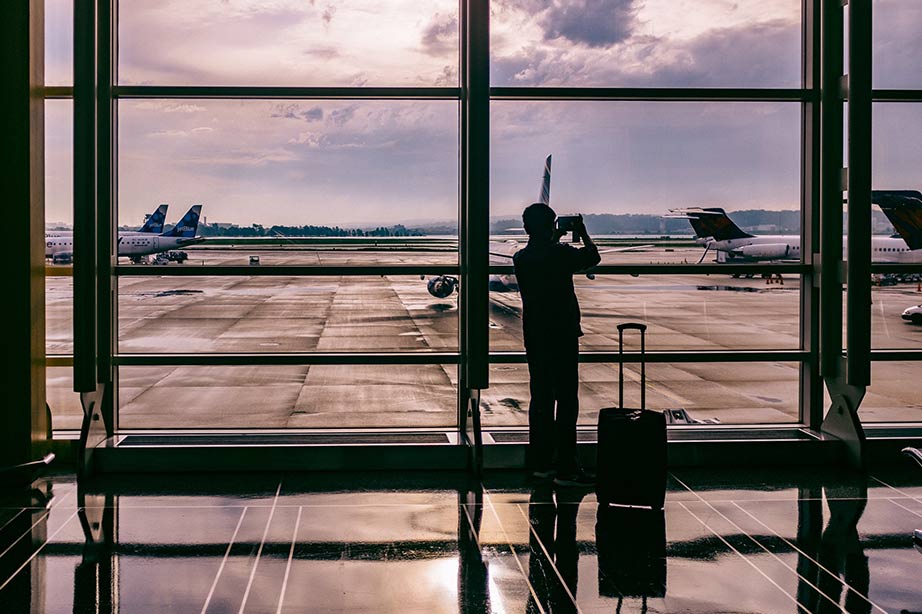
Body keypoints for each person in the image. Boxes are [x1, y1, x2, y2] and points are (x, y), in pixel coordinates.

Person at [513, 202, 600, 487]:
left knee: (540, 399)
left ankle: (541, 464)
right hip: (562, 334)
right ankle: (567, 468)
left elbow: (542, 251)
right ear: (552, 226)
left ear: (525, 227)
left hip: (535, 335)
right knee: (566, 400)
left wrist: (552, 236)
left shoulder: (521, 258)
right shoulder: (561, 254)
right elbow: (592, 257)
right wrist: (582, 232)